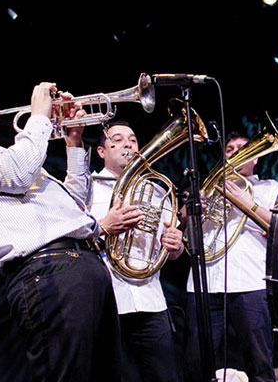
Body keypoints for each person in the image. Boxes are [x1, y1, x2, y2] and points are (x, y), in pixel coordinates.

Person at [0, 70, 139, 382]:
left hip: (80, 266)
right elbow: (14, 174)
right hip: (47, 271)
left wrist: (73, 142)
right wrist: (40, 116)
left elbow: (73, 207)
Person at [89, 120, 184, 382]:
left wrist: (176, 245)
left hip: (151, 301)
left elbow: (173, 250)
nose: (127, 144)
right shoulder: (85, 187)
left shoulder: (156, 190)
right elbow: (74, 239)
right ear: (101, 152)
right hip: (108, 304)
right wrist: (105, 227)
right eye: (117, 140)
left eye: (132, 139)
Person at [183, 131, 278, 382]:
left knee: (259, 361)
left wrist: (247, 203)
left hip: (250, 283)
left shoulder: (270, 188)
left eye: (243, 148)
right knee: (196, 361)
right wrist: (190, 211)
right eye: (230, 149)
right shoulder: (205, 189)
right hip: (205, 284)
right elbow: (183, 229)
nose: (237, 152)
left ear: (257, 157)